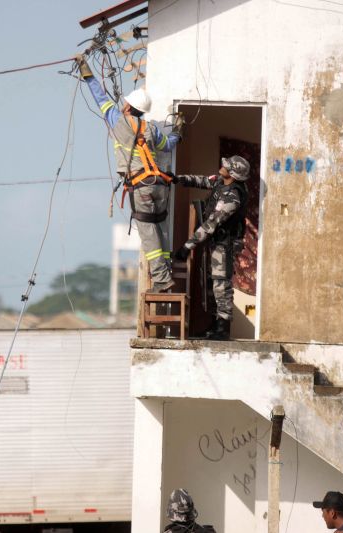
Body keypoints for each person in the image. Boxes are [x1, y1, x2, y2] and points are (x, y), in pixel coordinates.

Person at [76, 56, 183, 293]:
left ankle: (163, 281)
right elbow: (168, 144)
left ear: (127, 106)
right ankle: (165, 272)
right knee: (160, 230)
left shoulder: (117, 120)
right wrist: (178, 131)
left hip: (141, 186)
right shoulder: (151, 128)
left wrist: (87, 73)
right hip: (160, 185)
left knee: (148, 235)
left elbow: (100, 97)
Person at [171, 156, 251, 340]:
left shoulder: (233, 197)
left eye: (226, 166)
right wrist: (176, 178)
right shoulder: (220, 182)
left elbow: (211, 224)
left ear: (233, 174)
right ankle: (214, 326)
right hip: (216, 242)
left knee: (221, 285)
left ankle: (222, 329)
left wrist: (187, 247)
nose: (222, 166)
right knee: (211, 284)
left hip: (225, 244)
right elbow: (203, 180)